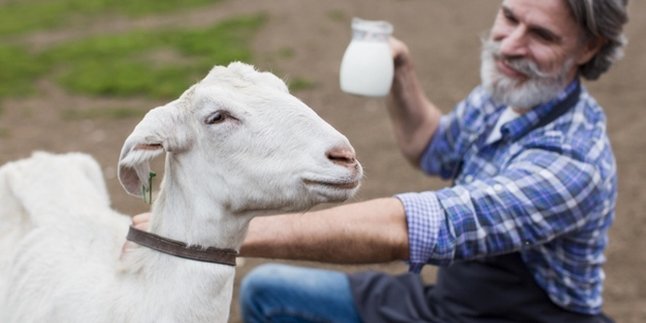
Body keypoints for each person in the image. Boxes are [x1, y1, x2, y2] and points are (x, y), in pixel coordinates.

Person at [133, 0, 629, 321]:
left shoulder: (573, 161)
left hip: (524, 316)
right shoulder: (511, 92)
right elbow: (432, 147)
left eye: (541, 36)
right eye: (509, 17)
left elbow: (414, 229)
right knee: (267, 291)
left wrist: (222, 236)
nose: (511, 44)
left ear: (590, 47)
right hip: (450, 302)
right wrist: (403, 76)